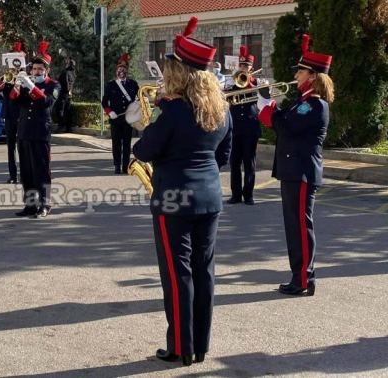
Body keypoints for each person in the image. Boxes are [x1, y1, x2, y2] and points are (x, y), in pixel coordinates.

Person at [132, 16, 232, 366]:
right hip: (209, 198)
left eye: (167, 69)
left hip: (174, 199)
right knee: (203, 272)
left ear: (179, 73)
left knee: (177, 275)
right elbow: (223, 155)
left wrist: (155, 119)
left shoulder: (173, 112)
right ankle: (199, 346)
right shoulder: (222, 110)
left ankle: (180, 347)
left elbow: (143, 151)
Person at [257, 34, 333, 296]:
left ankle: (302, 279)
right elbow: (282, 123)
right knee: (294, 226)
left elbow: (285, 127)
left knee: (300, 226)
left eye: (300, 71)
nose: (296, 75)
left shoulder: (315, 104)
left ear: (312, 75)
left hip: (301, 172)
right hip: (294, 171)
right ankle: (300, 276)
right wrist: (270, 107)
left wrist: (266, 106)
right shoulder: (303, 102)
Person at [10, 40, 59, 218]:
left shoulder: (53, 85)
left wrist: (32, 87)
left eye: (40, 69)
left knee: (41, 171)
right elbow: (14, 101)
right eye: (34, 69)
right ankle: (30, 205)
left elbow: (47, 102)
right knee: (26, 172)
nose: (36, 72)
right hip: (23, 132)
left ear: (46, 71)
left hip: (40, 133)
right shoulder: (25, 83)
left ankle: (45, 204)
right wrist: (16, 84)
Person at [226, 46, 261, 205]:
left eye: (246, 66)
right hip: (235, 129)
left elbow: (262, 100)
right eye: (241, 66)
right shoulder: (232, 84)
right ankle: (236, 195)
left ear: (251, 68)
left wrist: (253, 86)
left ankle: (249, 195)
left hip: (250, 128)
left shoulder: (258, 84)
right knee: (234, 163)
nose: (243, 68)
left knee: (249, 163)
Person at [101, 53, 139, 174]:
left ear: (127, 71)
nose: (121, 71)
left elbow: (139, 98)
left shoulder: (133, 84)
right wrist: (109, 112)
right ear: (116, 71)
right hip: (115, 119)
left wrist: (138, 102)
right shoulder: (111, 85)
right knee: (116, 143)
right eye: (119, 69)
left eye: (123, 69)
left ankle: (125, 166)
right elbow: (104, 102)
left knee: (127, 144)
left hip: (128, 119)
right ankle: (117, 165)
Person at [0, 41, 24, 184]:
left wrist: (20, 78)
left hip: (22, 115)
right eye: (13, 62)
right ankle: (13, 175)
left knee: (23, 147)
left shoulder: (26, 76)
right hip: (9, 115)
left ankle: (24, 174)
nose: (15, 65)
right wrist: (7, 75)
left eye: (17, 62)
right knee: (11, 147)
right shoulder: (8, 76)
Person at [56, 57, 76, 133]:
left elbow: (66, 84)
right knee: (67, 110)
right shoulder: (73, 73)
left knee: (60, 110)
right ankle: (68, 127)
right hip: (69, 94)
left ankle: (61, 126)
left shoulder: (66, 72)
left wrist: (66, 90)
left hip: (63, 93)